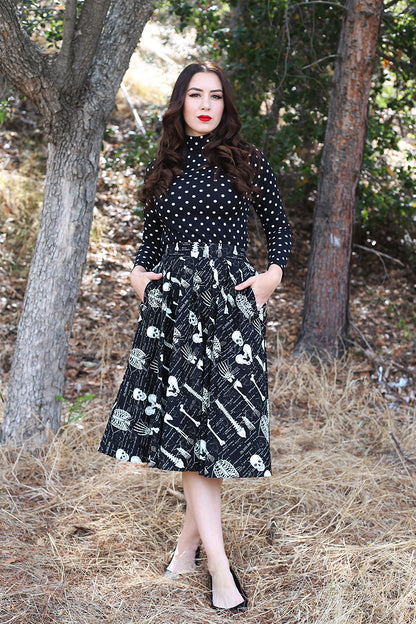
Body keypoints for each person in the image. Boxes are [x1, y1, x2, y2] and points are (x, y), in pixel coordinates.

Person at [98, 61, 291, 611]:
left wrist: (271, 278)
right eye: (194, 95)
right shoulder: (165, 162)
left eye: (215, 96)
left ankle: (187, 553)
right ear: (180, 101)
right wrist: (139, 277)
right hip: (176, 309)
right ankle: (218, 568)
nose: (205, 105)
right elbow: (147, 244)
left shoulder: (249, 161)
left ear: (226, 105)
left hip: (229, 307)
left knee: (214, 428)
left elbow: (279, 232)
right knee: (191, 433)